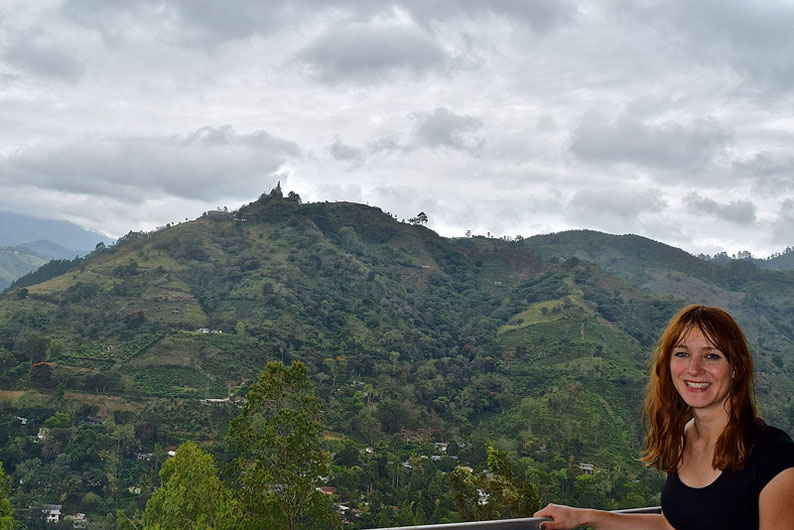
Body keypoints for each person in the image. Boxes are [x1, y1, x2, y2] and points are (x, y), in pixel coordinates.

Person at [534, 304, 794, 529]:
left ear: (736, 368)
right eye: (682, 354)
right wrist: (582, 516)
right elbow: (668, 525)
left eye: (711, 356)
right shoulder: (681, 438)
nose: (694, 369)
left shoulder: (772, 455)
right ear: (668, 364)